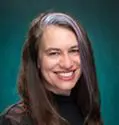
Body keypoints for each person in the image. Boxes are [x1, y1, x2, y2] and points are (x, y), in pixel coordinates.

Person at [0, 11, 103, 125]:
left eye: (74, 51)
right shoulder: (14, 121)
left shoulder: (88, 112)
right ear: (36, 60)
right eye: (54, 53)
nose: (67, 64)